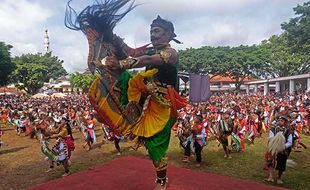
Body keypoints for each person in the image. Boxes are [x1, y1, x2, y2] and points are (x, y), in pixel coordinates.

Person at [104, 15, 187, 190]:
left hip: (163, 106)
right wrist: (112, 37)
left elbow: (147, 61)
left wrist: (121, 63)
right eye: (151, 31)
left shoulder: (171, 53)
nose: (153, 35)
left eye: (157, 31)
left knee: (155, 144)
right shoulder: (150, 51)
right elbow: (132, 53)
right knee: (123, 78)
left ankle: (161, 180)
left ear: (169, 34)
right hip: (145, 98)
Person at [265, 115, 293, 184]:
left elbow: (289, 142)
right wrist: (274, 144)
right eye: (278, 120)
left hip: (283, 150)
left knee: (281, 164)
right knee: (270, 162)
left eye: (282, 121)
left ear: (285, 122)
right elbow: (271, 137)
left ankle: (279, 178)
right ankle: (270, 177)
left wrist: (282, 147)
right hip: (273, 148)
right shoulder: (273, 129)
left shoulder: (288, 131)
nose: (280, 122)